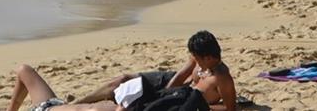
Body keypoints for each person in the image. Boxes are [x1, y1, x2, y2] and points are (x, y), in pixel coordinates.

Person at [39, 30, 239, 111]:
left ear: (208, 57)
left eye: (196, 58)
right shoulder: (199, 60)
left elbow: (230, 109)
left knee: (111, 104)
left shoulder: (222, 79)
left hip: (182, 98)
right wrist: (164, 94)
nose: (193, 60)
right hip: (171, 88)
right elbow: (180, 75)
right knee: (122, 81)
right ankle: (74, 103)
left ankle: (65, 106)